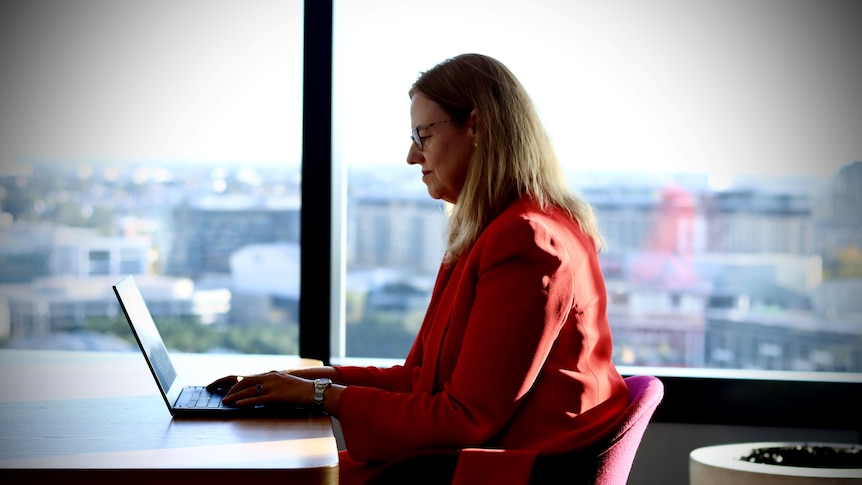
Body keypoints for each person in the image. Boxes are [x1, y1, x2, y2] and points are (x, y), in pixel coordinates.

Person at [208, 53, 630, 484]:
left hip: (504, 468)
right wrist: (308, 381)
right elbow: (423, 381)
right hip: (481, 456)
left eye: (422, 135)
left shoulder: (527, 241)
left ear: (477, 126)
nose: (412, 156)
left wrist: (320, 396)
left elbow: (464, 418)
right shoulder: (499, 229)